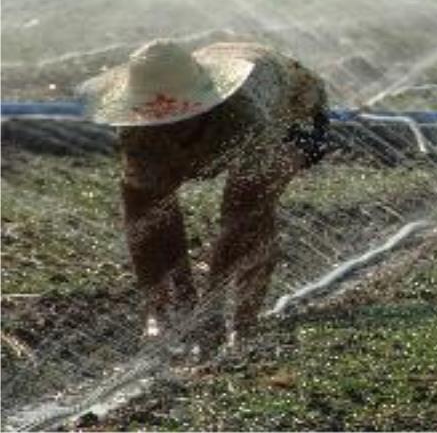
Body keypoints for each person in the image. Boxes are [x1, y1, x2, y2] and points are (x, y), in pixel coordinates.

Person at [79, 39, 330, 347]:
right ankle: (180, 309)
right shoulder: (138, 131)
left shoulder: (244, 114)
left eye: (175, 120)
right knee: (150, 199)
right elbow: (142, 220)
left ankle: (243, 322)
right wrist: (167, 304)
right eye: (157, 121)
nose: (166, 128)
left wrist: (210, 308)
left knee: (250, 205)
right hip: (229, 80)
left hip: (293, 107)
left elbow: (242, 217)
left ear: (199, 107)